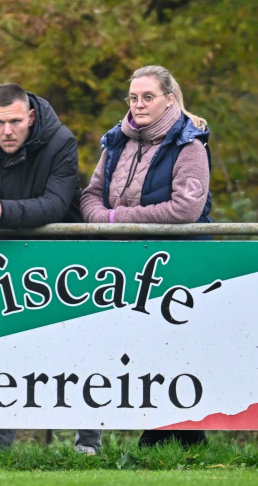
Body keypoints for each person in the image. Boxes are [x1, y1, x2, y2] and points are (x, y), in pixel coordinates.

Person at [0, 82, 101, 454]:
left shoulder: (61, 141)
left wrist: (3, 211)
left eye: (16, 122)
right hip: (7, 265)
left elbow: (55, 204)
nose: (7, 131)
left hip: (65, 264)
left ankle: (88, 444)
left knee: (76, 352)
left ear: (30, 116)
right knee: (5, 351)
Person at [80, 65, 210, 448]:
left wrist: (118, 220)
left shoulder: (189, 145)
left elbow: (186, 209)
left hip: (179, 267)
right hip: (125, 269)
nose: (138, 105)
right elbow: (90, 194)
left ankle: (181, 440)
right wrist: (101, 221)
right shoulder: (116, 143)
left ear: (169, 99)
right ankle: (163, 441)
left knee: (175, 356)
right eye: (133, 98)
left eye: (147, 97)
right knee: (136, 355)